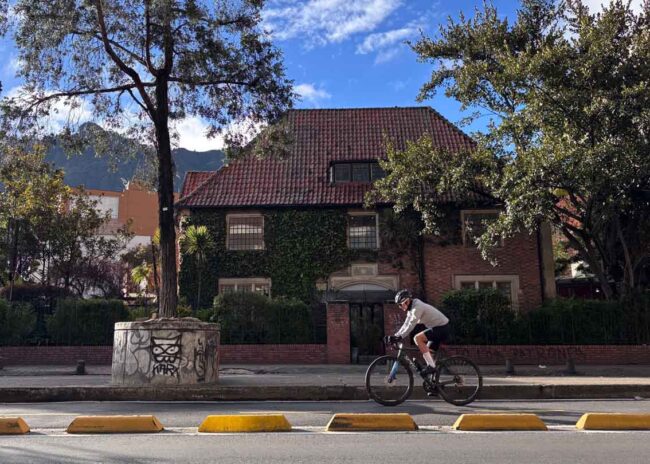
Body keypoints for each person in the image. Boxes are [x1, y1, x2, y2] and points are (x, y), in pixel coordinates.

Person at [385, 289, 450, 376]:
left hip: (442, 328)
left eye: (400, 305)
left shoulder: (417, 307)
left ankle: (431, 367)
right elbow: (406, 324)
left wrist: (400, 337)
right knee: (427, 354)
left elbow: (411, 324)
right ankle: (434, 380)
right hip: (436, 328)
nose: (399, 307)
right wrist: (396, 336)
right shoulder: (411, 308)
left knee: (417, 338)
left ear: (406, 301)